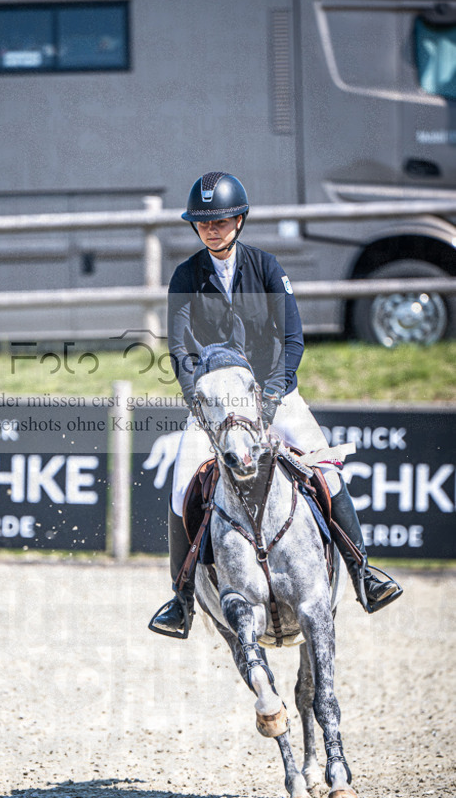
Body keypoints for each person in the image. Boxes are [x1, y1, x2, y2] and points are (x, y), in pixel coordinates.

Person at [149, 171, 402, 638]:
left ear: (240, 220)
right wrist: (201, 405)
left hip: (275, 397)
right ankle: (181, 599)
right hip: (215, 409)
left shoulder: (265, 267)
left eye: (221, 220)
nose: (212, 229)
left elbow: (292, 337)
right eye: (204, 222)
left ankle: (364, 573)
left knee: (326, 472)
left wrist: (273, 393)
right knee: (181, 485)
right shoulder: (185, 276)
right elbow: (181, 354)